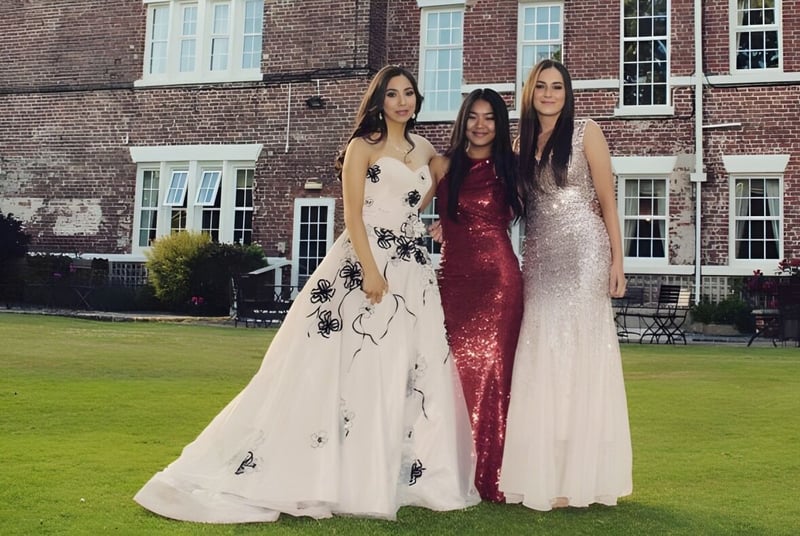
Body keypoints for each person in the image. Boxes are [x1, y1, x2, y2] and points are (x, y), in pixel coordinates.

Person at [133, 65, 479, 523]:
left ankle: (383, 471)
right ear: (378, 101)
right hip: (363, 264)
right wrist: (371, 272)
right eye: (392, 94)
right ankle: (320, 471)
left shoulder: (428, 150)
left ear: (417, 100)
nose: (402, 101)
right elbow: (354, 216)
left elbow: (456, 186)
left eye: (409, 93)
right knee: (346, 364)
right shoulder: (363, 146)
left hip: (413, 271)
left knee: (400, 366)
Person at [499, 59, 633, 510]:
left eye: (558, 86)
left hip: (584, 255)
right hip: (539, 258)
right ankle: (546, 471)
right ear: (530, 93)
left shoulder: (587, 132)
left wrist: (618, 260)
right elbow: (511, 208)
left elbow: (609, 203)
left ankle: (580, 477)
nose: (550, 93)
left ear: (566, 93)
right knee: (543, 355)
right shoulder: (519, 145)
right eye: (542, 86)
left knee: (577, 356)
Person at [428, 88, 523, 502]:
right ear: (462, 120)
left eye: (489, 118)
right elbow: (402, 204)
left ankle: (490, 473)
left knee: (493, 375)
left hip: (499, 283)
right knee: (449, 373)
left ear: (500, 125)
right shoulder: (443, 165)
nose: (481, 125)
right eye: (473, 117)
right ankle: (445, 467)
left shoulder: (512, 168)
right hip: (452, 280)